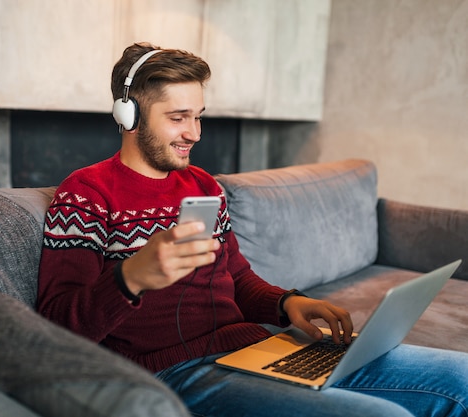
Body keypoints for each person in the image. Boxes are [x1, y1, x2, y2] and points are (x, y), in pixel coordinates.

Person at [36, 42, 468, 417]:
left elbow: (237, 278)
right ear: (128, 115)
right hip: (179, 372)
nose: (195, 133)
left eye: (199, 116)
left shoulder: (204, 186)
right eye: (178, 117)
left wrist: (288, 304)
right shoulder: (86, 195)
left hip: (259, 346)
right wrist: (130, 278)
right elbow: (54, 328)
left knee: (460, 377)